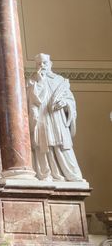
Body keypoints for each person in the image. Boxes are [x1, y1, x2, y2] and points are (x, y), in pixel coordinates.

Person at [27, 53, 84, 182]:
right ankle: (46, 174)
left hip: (57, 118)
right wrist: (39, 82)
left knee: (62, 146)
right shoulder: (32, 81)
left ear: (50, 64)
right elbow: (31, 100)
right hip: (41, 118)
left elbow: (70, 100)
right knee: (43, 146)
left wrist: (65, 103)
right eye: (39, 63)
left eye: (45, 63)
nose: (42, 66)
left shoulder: (60, 81)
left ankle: (72, 175)